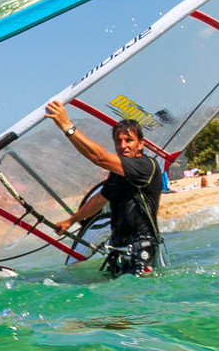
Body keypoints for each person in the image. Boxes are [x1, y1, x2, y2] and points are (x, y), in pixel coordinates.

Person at [45, 101, 164, 277]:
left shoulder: (145, 166)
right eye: (118, 141)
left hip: (142, 249)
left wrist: (66, 126)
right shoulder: (117, 173)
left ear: (141, 144)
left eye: (129, 140)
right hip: (118, 249)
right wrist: (71, 221)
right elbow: (100, 199)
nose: (123, 145)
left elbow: (99, 158)